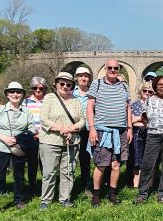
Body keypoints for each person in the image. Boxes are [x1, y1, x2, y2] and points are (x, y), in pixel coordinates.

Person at [87, 59, 133, 207]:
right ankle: (96, 194)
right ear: (105, 69)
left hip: (120, 131)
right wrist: (92, 128)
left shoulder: (124, 86)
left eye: (115, 68)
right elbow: (89, 108)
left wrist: (129, 128)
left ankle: (112, 193)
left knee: (116, 164)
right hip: (102, 131)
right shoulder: (97, 84)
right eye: (110, 68)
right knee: (101, 164)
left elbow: (128, 108)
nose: (113, 70)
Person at [0, 82, 36, 216]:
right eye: (12, 92)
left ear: (22, 95)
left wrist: (19, 138)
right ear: (7, 94)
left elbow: (32, 128)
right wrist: (4, 138)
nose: (15, 94)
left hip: (19, 147)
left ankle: (18, 200)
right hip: (2, 146)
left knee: (19, 175)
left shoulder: (26, 111)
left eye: (18, 92)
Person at [38, 72, 85, 209]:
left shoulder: (76, 101)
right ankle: (46, 200)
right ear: (56, 84)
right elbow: (44, 118)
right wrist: (61, 129)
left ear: (72, 86)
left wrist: (71, 129)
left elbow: (82, 120)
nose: (65, 86)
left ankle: (65, 198)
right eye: (62, 83)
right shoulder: (49, 98)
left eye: (68, 84)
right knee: (49, 172)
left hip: (72, 141)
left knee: (68, 171)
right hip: (50, 141)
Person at [134, 76, 163, 203]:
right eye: (159, 84)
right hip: (153, 135)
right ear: (155, 86)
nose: (162, 86)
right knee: (147, 164)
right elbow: (144, 116)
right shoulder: (149, 100)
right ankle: (142, 193)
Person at [23, 76, 47, 195]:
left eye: (40, 88)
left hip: (46, 136)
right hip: (32, 137)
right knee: (32, 163)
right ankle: (32, 186)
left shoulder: (48, 101)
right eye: (35, 88)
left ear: (44, 88)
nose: (38, 90)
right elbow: (24, 120)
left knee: (45, 163)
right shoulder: (25, 102)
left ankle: (45, 186)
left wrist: (42, 133)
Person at [72, 66, 93, 196]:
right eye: (81, 76)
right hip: (73, 130)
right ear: (76, 78)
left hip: (87, 131)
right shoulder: (70, 92)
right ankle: (70, 187)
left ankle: (86, 185)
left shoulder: (93, 93)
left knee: (85, 159)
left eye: (86, 76)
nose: (83, 78)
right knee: (70, 159)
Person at [129, 82, 154, 188]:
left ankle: (149, 184)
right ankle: (136, 185)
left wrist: (138, 119)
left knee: (150, 159)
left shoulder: (154, 104)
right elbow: (130, 120)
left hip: (151, 134)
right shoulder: (135, 104)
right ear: (140, 91)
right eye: (145, 91)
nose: (147, 93)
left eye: (150, 91)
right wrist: (142, 119)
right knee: (137, 160)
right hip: (137, 133)